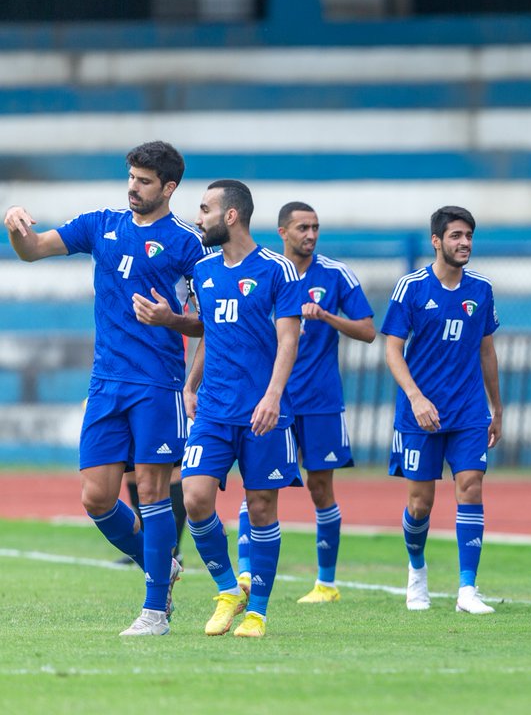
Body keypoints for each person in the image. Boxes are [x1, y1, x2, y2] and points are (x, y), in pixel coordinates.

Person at [4, 141, 206, 636]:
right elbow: (33, 251)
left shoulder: (188, 243)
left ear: (169, 188)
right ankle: (162, 564)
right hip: (106, 384)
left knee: (155, 494)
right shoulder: (101, 224)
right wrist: (16, 229)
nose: (134, 187)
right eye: (132, 177)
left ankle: (155, 611)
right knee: (96, 498)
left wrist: (171, 321)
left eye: (144, 181)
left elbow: (208, 323)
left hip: (157, 385)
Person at [234, 202, 376, 603]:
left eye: (315, 227)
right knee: (255, 485)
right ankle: (246, 574)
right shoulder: (263, 271)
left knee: (319, 487)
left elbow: (368, 330)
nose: (310, 235)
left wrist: (328, 316)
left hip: (319, 399)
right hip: (269, 399)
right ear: (282, 232)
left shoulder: (335, 273)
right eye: (302, 228)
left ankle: (326, 583)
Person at [181, 179, 305, 638]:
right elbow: (211, 335)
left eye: (205, 209)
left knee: (261, 506)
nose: (199, 217)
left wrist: (273, 396)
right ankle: (230, 588)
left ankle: (258, 613)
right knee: (195, 497)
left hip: (263, 412)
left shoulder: (278, 270)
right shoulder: (203, 271)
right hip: (213, 408)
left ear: (230, 215)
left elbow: (289, 339)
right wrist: (192, 385)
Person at [383, 206, 503, 615]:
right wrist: (416, 397)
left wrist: (497, 408)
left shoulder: (482, 289)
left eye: (469, 235)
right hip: (420, 413)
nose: (464, 242)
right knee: (420, 503)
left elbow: (487, 350)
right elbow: (392, 349)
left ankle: (467, 589)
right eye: (455, 235)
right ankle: (416, 570)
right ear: (436, 241)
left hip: (468, 409)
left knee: (470, 486)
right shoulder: (411, 287)